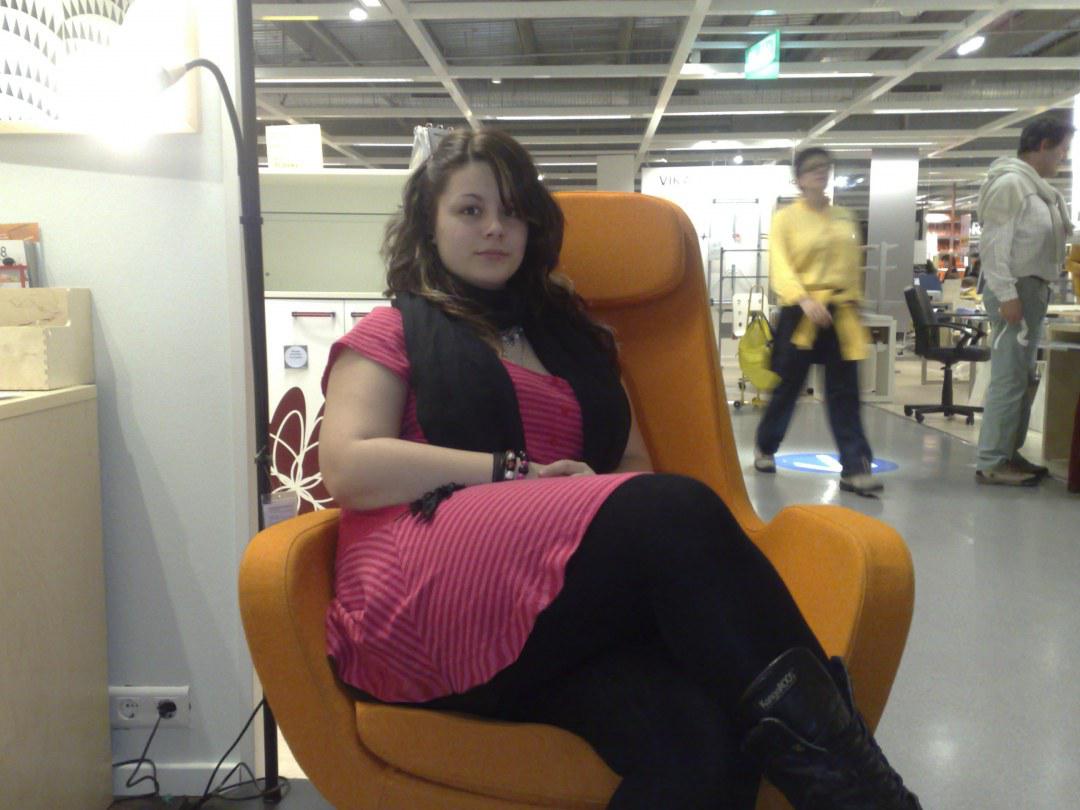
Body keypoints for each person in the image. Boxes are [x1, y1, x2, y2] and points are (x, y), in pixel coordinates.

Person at [318, 129, 921, 809]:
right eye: (470, 210)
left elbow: (633, 464)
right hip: (423, 599)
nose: (494, 229)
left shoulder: (578, 341)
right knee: (674, 509)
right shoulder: (392, 330)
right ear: (429, 225)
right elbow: (347, 464)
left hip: (551, 616)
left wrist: (586, 494)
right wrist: (515, 475)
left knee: (703, 740)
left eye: (512, 212)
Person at [753, 148, 882, 495]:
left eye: (825, 167)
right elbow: (780, 265)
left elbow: (851, 264)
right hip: (801, 312)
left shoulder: (845, 217)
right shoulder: (786, 219)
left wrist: (856, 301)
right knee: (788, 387)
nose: (820, 173)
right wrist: (803, 299)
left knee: (845, 392)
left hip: (841, 311)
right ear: (799, 179)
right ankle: (766, 445)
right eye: (812, 169)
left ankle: (855, 466)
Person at [975, 115, 1074, 486]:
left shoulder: (1040, 191)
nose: (1063, 159)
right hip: (1017, 288)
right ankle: (992, 460)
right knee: (1009, 376)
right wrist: (1006, 294)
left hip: (1034, 288)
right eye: (1062, 151)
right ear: (1043, 146)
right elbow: (994, 244)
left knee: (1022, 376)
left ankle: (1008, 452)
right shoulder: (1011, 185)